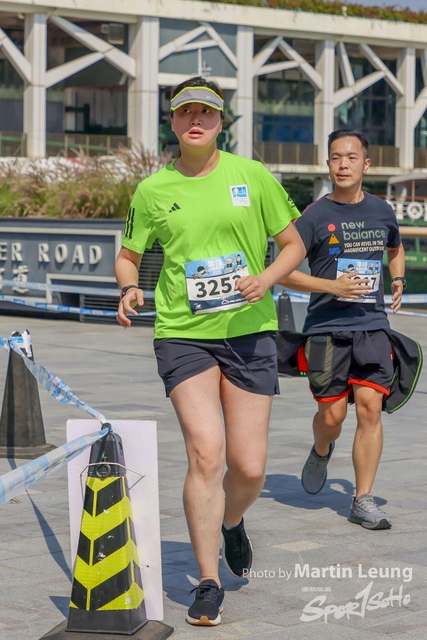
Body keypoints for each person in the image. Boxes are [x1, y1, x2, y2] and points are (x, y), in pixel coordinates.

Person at [115, 76, 306, 626]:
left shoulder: (252, 175)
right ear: (172, 121)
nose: (195, 119)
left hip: (249, 332)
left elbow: (293, 244)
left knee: (248, 467)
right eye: (185, 112)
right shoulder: (153, 190)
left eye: (206, 111)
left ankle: (231, 521)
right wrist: (129, 287)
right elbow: (128, 256)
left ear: (222, 121)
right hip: (183, 332)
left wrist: (266, 278)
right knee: (206, 453)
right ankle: (207, 580)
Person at [281, 129, 406, 531]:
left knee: (371, 408)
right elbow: (284, 273)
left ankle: (362, 499)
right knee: (332, 417)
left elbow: (395, 247)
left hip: (372, 326)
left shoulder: (382, 210)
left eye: (351, 157)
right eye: (336, 157)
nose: (343, 164)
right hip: (326, 328)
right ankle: (322, 447)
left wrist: (398, 277)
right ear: (328, 164)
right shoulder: (314, 216)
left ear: (366, 164)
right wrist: (332, 286)